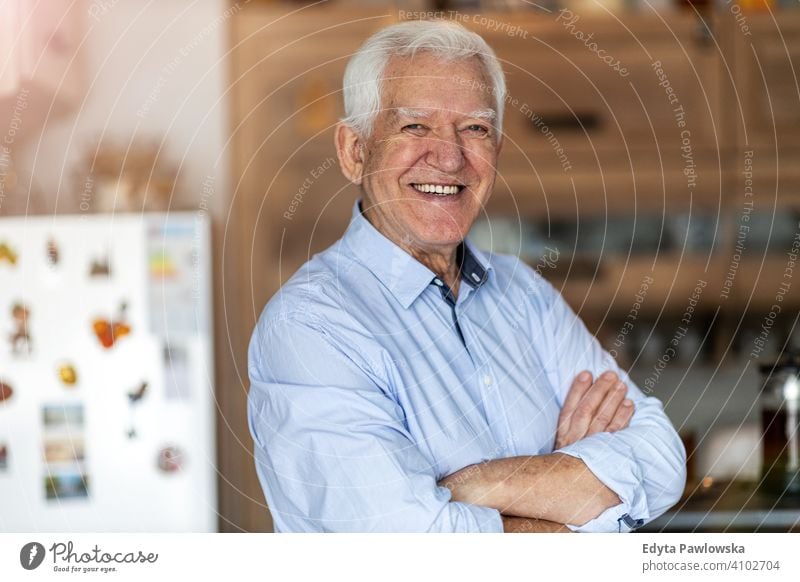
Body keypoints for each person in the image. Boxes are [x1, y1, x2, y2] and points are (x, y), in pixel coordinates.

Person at [247, 19, 686, 533]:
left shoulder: (523, 295)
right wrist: (573, 500)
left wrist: (474, 486)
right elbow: (414, 551)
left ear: (495, 152)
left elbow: (661, 460)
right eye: (415, 126)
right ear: (354, 151)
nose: (450, 157)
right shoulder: (309, 329)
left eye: (474, 129)